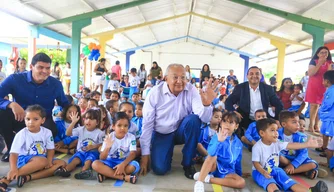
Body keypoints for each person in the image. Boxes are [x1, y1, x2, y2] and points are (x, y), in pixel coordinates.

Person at [140, 64, 218, 179]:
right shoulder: (155, 93)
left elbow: (204, 118)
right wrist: (145, 155)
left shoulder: (191, 90)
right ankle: (163, 149)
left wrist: (206, 104)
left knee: (194, 120)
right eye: (175, 77)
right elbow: (147, 125)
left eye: (183, 77)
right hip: (162, 133)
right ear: (166, 78)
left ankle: (188, 163)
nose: (180, 81)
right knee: (159, 169)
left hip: (181, 131)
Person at [0, 53, 69, 162]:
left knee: (51, 130)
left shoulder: (55, 84)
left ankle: (40, 153)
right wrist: (11, 104)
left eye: (47, 68)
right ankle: (12, 149)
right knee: (1, 113)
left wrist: (75, 114)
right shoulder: (15, 79)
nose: (45, 71)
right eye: (40, 67)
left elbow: (65, 103)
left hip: (43, 123)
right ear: (31, 67)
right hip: (20, 119)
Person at [0, 105, 66, 191]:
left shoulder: (47, 132)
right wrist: (13, 169)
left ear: (43, 120)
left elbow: (50, 149)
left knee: (61, 163)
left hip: (42, 159)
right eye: (28, 119)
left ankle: (27, 177)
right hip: (25, 160)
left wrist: (49, 161)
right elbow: (13, 153)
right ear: (24, 119)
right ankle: (6, 180)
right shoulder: (21, 134)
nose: (31, 122)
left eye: (35, 119)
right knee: (42, 161)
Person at [252, 118, 328, 192]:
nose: (276, 133)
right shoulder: (257, 147)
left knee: (290, 182)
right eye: (272, 130)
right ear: (262, 133)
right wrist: (263, 172)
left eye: (276, 130)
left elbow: (291, 145)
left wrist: (307, 144)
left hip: (276, 169)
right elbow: (256, 164)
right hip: (260, 172)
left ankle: (310, 191)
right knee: (271, 184)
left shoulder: (277, 142)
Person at [194, 112, 249, 192]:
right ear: (221, 123)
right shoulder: (217, 136)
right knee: (212, 156)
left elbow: (237, 161)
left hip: (227, 170)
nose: (227, 124)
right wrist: (219, 141)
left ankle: (208, 178)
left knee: (241, 183)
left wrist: (238, 174)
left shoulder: (238, 143)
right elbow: (211, 153)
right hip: (214, 167)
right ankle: (199, 182)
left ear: (236, 126)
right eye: (224, 121)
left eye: (231, 122)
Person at [225, 66, 283, 138]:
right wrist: (233, 111)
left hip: (263, 119)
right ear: (247, 76)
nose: (254, 76)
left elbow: (279, 104)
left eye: (257, 74)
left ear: (261, 76)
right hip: (244, 118)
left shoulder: (268, 88)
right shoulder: (240, 88)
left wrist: (277, 119)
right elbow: (228, 101)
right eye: (251, 74)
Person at [54, 108, 105, 179]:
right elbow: (68, 133)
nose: (88, 121)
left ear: (97, 122)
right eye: (86, 118)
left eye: (92, 119)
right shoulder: (81, 129)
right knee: (75, 160)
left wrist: (93, 146)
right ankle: (65, 170)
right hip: (81, 152)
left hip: (92, 153)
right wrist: (73, 122)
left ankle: (85, 171)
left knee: (88, 161)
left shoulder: (100, 133)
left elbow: (102, 144)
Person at [92, 112, 140, 184]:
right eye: (119, 125)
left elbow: (133, 154)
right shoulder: (109, 137)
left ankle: (107, 175)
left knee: (134, 166)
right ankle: (124, 177)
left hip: (124, 161)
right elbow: (102, 157)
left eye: (125, 126)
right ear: (113, 126)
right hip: (110, 162)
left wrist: (122, 165)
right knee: (95, 164)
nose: (122, 128)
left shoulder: (131, 137)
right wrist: (107, 147)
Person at [278, 111, 327, 180]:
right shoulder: (277, 134)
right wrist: (291, 164)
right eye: (294, 122)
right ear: (284, 124)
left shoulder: (301, 137)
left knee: (313, 164)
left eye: (298, 122)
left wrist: (293, 164)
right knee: (279, 157)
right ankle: (303, 171)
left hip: (297, 158)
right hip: (284, 159)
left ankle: (285, 171)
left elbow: (303, 154)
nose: (298, 125)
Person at [305, 46, 333, 133]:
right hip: (314, 86)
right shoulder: (314, 61)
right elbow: (311, 73)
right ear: (317, 54)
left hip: (325, 86)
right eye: (322, 52)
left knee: (321, 106)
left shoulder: (330, 63)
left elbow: (330, 75)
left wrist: (328, 66)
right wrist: (319, 64)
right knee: (314, 105)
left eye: (326, 52)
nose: (324, 54)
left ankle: (317, 125)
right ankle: (311, 125)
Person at [317, 70, 334, 155]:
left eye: (323, 80)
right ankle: (324, 147)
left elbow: (328, 103)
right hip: (328, 116)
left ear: (327, 81)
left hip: (330, 117)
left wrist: (322, 109)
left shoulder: (332, 91)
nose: (322, 82)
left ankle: (329, 150)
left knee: (330, 134)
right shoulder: (330, 89)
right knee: (325, 133)